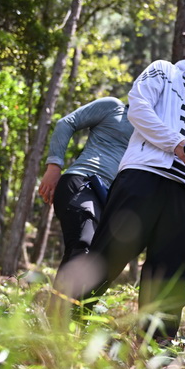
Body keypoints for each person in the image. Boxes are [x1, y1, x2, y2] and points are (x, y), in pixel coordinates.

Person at [53, 19, 185, 338]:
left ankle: (156, 353)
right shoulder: (165, 71)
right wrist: (176, 143)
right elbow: (138, 108)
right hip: (144, 177)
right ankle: (62, 330)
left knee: (170, 277)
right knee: (106, 256)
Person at [38, 97, 133, 269]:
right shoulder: (113, 107)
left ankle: (66, 296)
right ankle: (62, 297)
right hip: (83, 182)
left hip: (109, 198)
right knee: (83, 245)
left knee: (96, 261)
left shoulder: (154, 131)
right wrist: (54, 167)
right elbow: (66, 123)